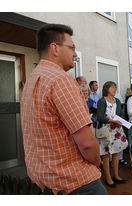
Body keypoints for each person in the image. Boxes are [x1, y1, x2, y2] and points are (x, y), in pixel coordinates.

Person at [21, 24, 106, 195]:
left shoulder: (31, 80)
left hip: (43, 181)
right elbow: (87, 143)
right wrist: (97, 161)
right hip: (74, 182)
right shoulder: (61, 80)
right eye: (72, 48)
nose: (75, 54)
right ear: (55, 48)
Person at [96, 81, 128, 188]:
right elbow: (99, 117)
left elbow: (120, 115)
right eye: (112, 87)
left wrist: (121, 122)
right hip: (106, 130)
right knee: (106, 155)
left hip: (117, 130)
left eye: (115, 87)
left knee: (116, 153)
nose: (114, 89)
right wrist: (113, 121)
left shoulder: (117, 101)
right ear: (106, 88)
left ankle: (116, 176)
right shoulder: (102, 101)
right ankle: (108, 178)